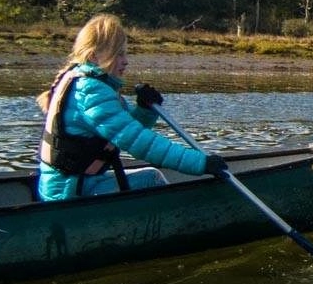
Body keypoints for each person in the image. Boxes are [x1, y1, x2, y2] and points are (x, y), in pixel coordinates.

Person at [37, 13, 225, 201]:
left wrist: (144, 110)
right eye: (118, 54)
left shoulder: (83, 81)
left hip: (78, 183)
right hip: (70, 193)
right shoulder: (90, 91)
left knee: (150, 176)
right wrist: (200, 163)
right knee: (151, 178)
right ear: (94, 56)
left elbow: (124, 131)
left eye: (124, 53)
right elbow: (139, 142)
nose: (125, 61)